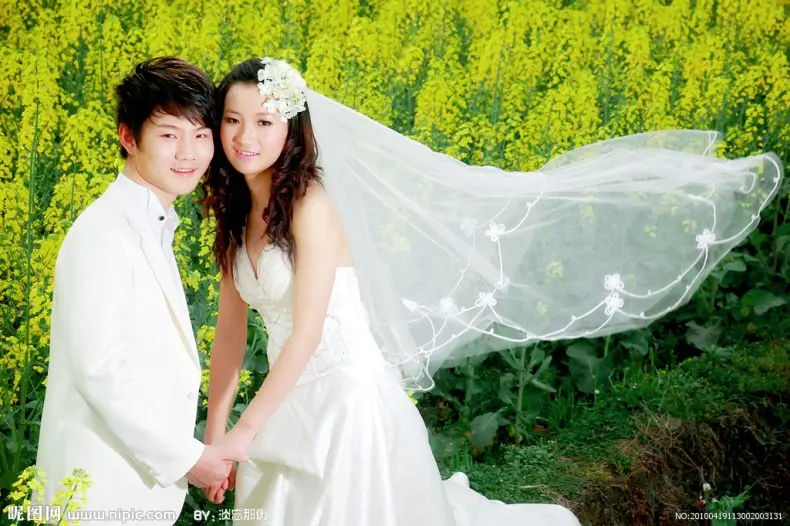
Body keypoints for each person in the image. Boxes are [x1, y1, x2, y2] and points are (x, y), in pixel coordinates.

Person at [201, 57, 782, 525]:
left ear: (292, 128)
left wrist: (245, 434)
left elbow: (306, 334)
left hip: (343, 400)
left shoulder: (312, 206)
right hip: (286, 400)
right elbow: (230, 333)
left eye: (265, 121)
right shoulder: (232, 211)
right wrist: (216, 436)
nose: (245, 136)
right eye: (232, 120)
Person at [35, 57, 243, 524]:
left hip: (129, 490)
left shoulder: (151, 224)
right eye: (169, 135)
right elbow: (100, 371)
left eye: (201, 135)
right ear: (129, 138)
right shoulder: (102, 233)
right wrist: (189, 458)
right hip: (94, 493)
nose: (188, 153)